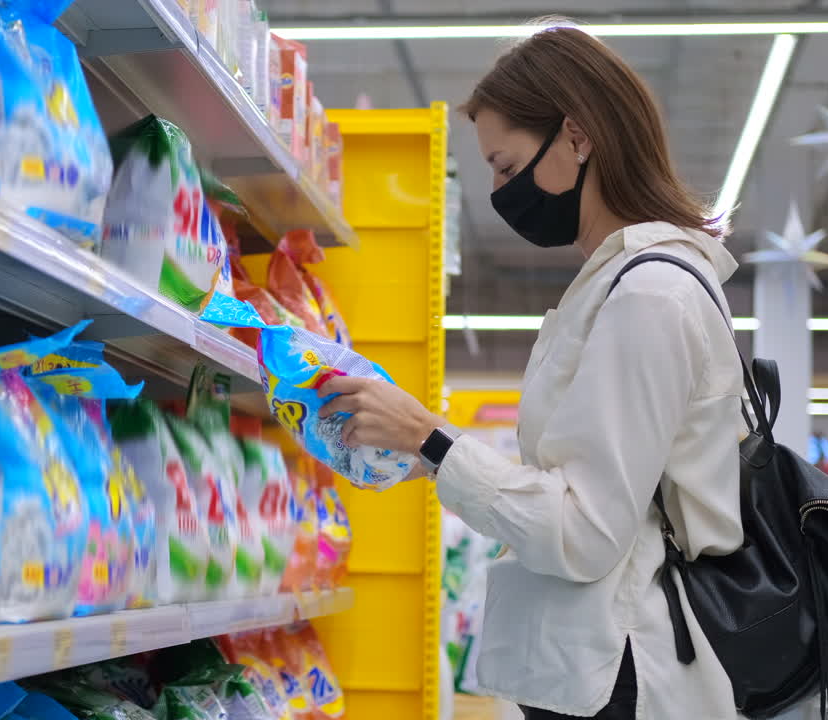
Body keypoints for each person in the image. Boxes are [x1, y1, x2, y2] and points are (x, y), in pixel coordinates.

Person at [318, 25, 746, 720]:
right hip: (617, 661)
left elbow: (581, 530)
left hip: (630, 671)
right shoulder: (629, 285)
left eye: (508, 167)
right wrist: (426, 450)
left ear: (577, 138)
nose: (498, 193)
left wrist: (431, 439)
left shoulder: (648, 296)